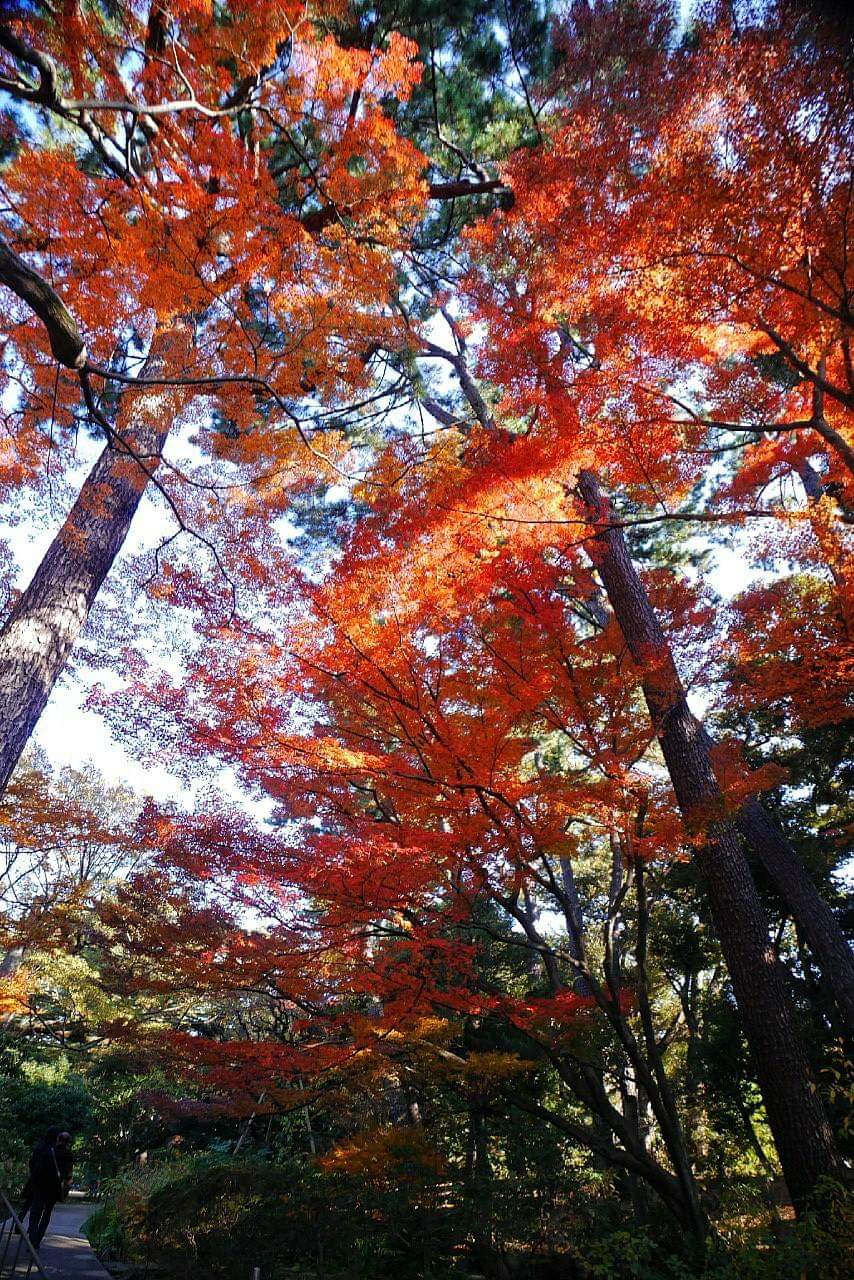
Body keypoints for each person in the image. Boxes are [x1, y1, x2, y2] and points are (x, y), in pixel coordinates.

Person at [22, 1128, 73, 1250]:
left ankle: (33, 1239)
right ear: (68, 1142)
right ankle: (38, 1239)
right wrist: (65, 1191)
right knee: (47, 1213)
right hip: (55, 1189)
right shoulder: (68, 1155)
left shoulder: (49, 1151)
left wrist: (31, 1186)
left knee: (35, 1214)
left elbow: (37, 1169)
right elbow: (69, 1175)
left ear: (58, 1139)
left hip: (41, 1187)